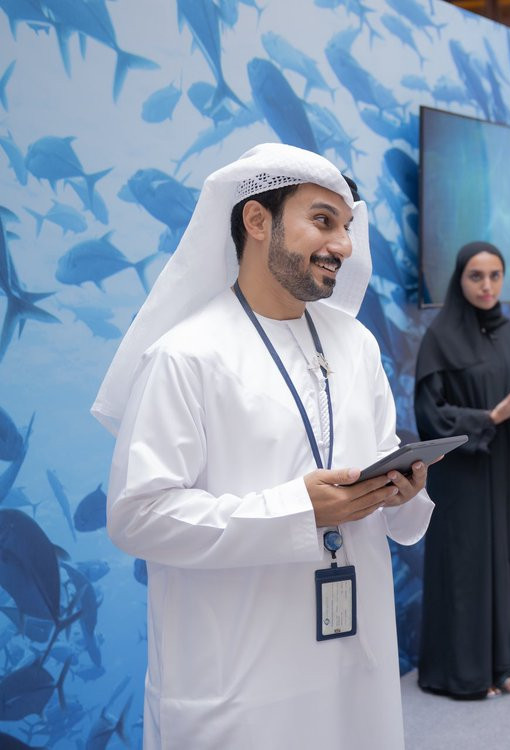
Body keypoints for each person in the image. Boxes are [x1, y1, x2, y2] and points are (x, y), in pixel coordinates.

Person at [93, 143, 435, 748]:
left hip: (354, 660)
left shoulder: (355, 344)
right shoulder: (186, 354)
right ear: (257, 220)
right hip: (241, 675)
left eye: (347, 226)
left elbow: (385, 470)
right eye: (323, 221)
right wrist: (297, 510)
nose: (343, 245)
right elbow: (137, 516)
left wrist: (399, 491)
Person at [414, 241, 510, 699]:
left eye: (494, 276)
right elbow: (430, 416)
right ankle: (466, 672)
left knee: (507, 558)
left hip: (506, 468)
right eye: (476, 276)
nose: (487, 286)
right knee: (468, 566)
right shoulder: (439, 338)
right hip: (463, 473)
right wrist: (492, 417)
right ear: (459, 279)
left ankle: (506, 663)